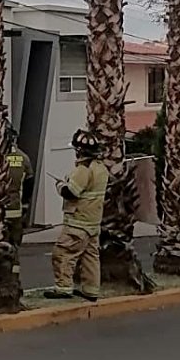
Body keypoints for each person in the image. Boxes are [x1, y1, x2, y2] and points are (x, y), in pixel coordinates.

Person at [44, 129, 108, 301]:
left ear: (80, 151)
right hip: (93, 223)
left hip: (77, 223)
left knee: (63, 253)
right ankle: (91, 290)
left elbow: (71, 192)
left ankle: (63, 288)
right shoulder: (101, 168)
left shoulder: (83, 169)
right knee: (90, 257)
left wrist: (60, 185)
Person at [4, 126, 31, 279]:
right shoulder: (23, 158)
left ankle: (1, 273)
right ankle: (14, 275)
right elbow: (29, 182)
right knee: (14, 245)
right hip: (16, 210)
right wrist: (26, 207)